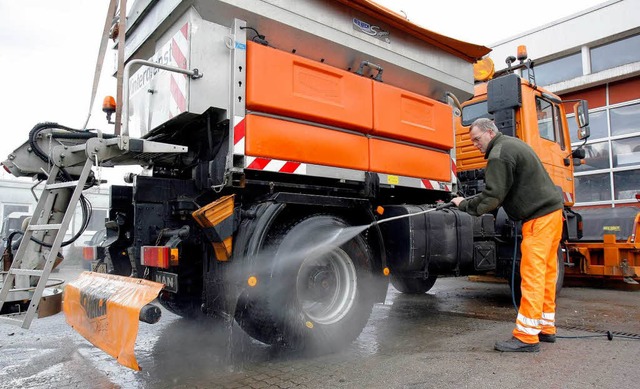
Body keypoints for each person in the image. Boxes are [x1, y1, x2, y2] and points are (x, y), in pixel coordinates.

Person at [451, 118, 563, 352]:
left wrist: (463, 204)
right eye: (472, 141)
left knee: (532, 274)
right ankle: (545, 328)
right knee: (546, 272)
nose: (475, 145)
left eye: (477, 139)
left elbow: (492, 197)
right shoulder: (511, 144)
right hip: (552, 214)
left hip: (538, 219)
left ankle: (526, 337)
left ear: (490, 133)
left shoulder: (499, 153)